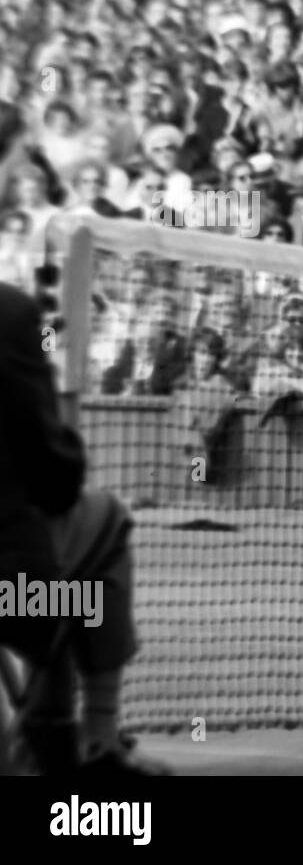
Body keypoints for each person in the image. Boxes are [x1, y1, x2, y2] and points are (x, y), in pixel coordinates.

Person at [0, 281, 169, 775]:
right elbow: (54, 479)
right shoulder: (8, 313)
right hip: (12, 590)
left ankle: (47, 729)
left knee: (60, 576)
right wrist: (67, 445)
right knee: (105, 523)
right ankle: (93, 737)